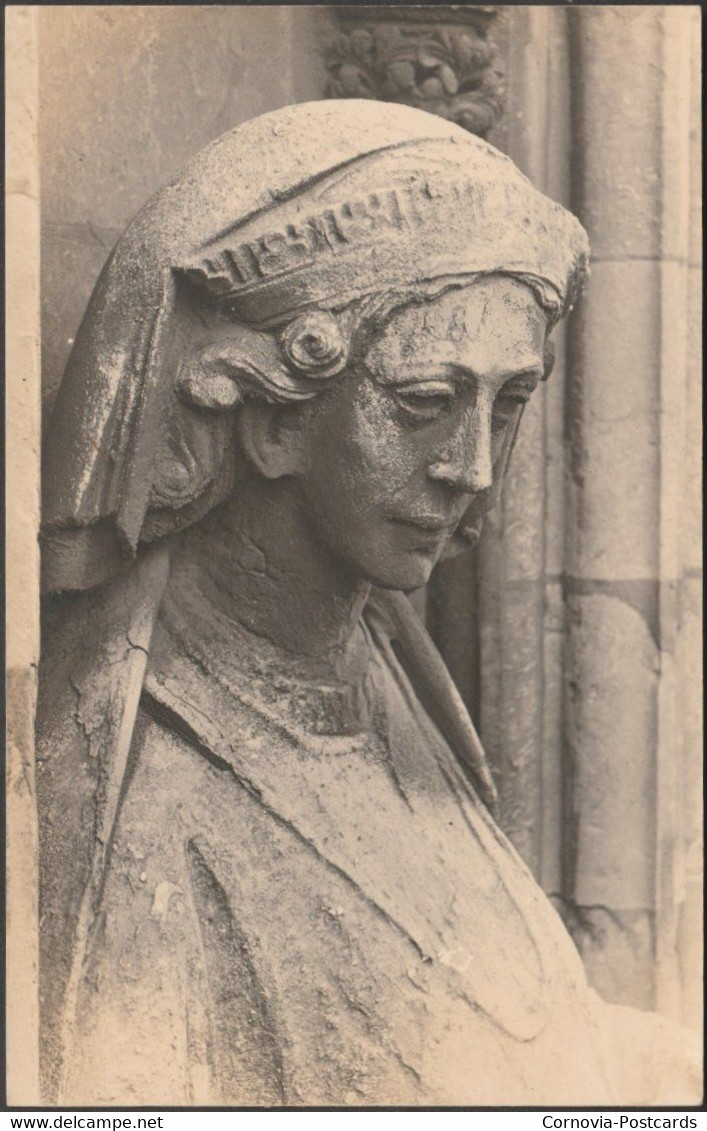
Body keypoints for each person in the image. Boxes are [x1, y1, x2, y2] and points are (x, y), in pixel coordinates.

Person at [37, 101, 698, 1106]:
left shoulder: (383, 684)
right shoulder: (156, 815)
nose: (472, 468)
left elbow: (475, 1020)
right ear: (267, 421)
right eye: (424, 404)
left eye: (507, 403)